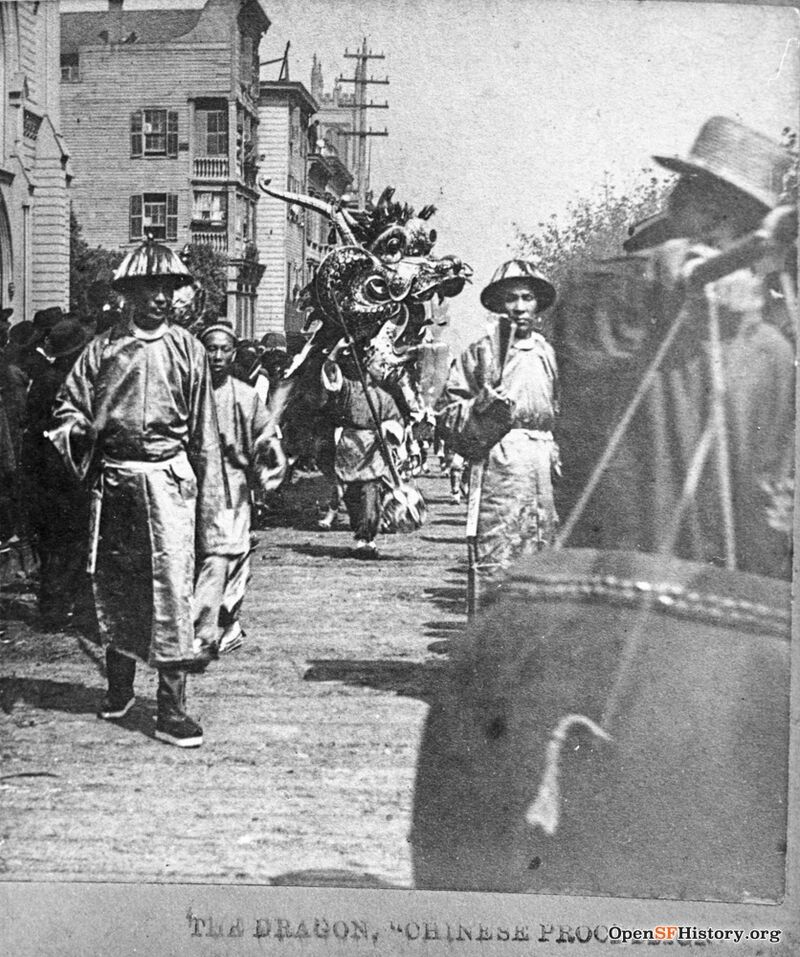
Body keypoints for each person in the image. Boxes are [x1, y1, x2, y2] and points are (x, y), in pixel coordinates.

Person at [555, 116, 795, 579]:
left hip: (724, 577)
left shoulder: (770, 350)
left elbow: (772, 489)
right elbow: (586, 332)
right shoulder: (614, 297)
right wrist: (666, 276)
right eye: (694, 192)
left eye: (735, 213)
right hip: (621, 563)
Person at [47, 238, 228, 748]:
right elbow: (68, 409)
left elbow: (204, 437)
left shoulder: (189, 350)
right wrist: (79, 431)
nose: (162, 299)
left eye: (169, 289)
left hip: (169, 483)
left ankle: (171, 707)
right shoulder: (102, 349)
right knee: (115, 582)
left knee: (171, 588)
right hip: (116, 481)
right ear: (129, 293)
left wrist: (212, 510)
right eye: (152, 289)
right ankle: (119, 687)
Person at [438, 261, 560, 610]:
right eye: (510, 299)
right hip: (499, 461)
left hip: (543, 465)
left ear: (537, 304)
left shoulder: (549, 354)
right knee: (498, 555)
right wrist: (481, 406)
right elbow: (448, 412)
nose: (520, 307)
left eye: (527, 298)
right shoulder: (482, 352)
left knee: (544, 558)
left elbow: (563, 410)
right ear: (497, 305)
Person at [194, 322, 285, 654]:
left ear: (233, 354)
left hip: (234, 490)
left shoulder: (246, 396)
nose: (217, 356)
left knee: (231, 558)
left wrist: (267, 449)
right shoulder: (188, 393)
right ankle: (204, 628)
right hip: (193, 488)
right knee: (205, 558)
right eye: (211, 348)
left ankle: (224, 624)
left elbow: (267, 434)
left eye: (224, 349)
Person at [21, 318, 94, 628]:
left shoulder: (44, 379)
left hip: (42, 471)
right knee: (72, 539)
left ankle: (53, 606)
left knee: (53, 540)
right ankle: (64, 606)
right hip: (66, 471)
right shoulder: (68, 382)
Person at [321, 345, 404, 559]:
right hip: (351, 446)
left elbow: (396, 421)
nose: (383, 369)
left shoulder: (384, 396)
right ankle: (359, 536)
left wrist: (387, 429)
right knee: (352, 495)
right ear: (367, 366)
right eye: (380, 364)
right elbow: (331, 374)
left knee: (371, 491)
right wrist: (336, 351)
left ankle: (367, 538)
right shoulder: (349, 388)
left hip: (373, 448)